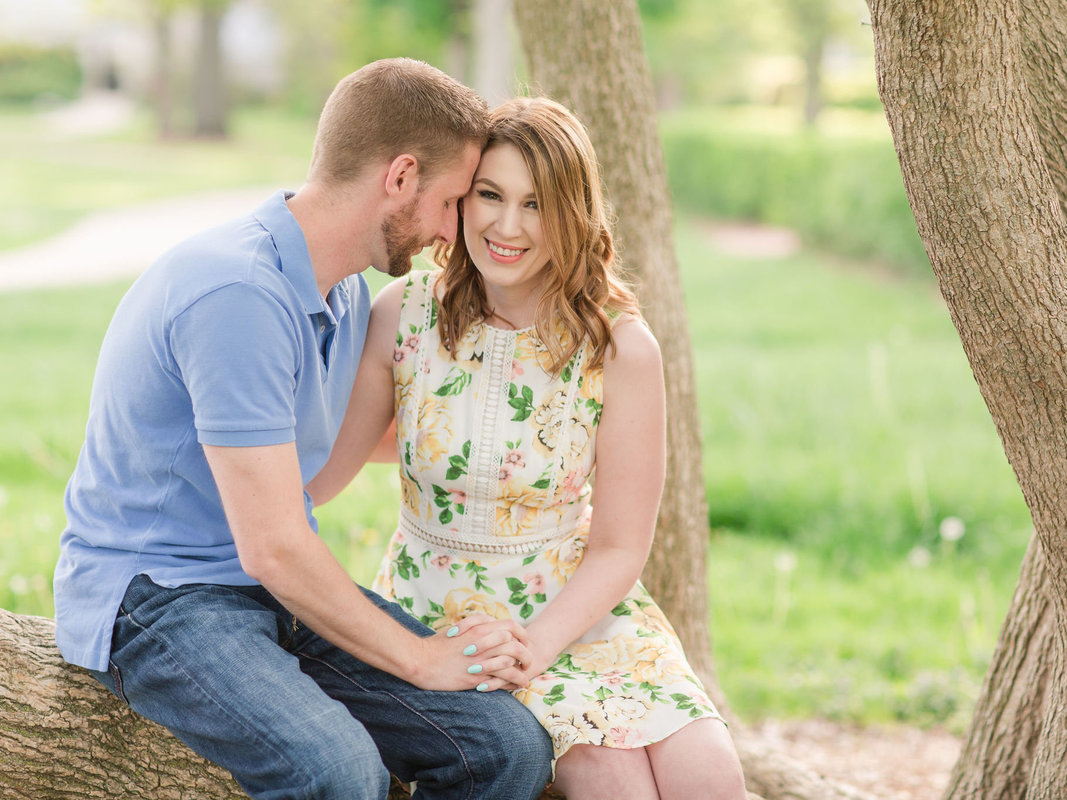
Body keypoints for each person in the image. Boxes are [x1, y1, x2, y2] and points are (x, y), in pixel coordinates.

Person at [53, 58, 553, 800]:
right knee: (336, 772)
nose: (455, 234)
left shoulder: (343, 289)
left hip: (266, 590)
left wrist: (544, 450)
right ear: (400, 176)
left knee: (505, 746)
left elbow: (350, 445)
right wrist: (422, 660)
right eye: (452, 202)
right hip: (157, 593)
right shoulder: (235, 293)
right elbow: (276, 543)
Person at [309, 96, 746, 799]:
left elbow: (619, 547)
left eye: (535, 204)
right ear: (462, 198)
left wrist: (538, 645)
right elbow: (325, 469)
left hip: (576, 609)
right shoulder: (404, 315)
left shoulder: (620, 347)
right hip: (441, 609)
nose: (506, 226)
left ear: (572, 214)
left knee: (710, 773)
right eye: (490, 195)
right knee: (612, 780)